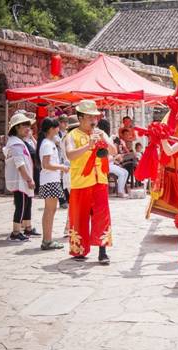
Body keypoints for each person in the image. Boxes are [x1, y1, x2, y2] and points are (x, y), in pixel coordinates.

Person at [65, 100, 118, 264]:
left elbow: (114, 152)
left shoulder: (100, 132)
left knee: (102, 215)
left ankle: (102, 251)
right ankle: (79, 250)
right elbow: (70, 155)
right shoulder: (71, 136)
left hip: (99, 180)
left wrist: (104, 140)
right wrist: (88, 145)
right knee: (80, 216)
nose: (93, 120)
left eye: (94, 117)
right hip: (81, 181)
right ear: (80, 118)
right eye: (89, 117)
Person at [3, 112, 37, 242]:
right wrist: (29, 179)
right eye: (25, 125)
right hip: (20, 179)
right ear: (17, 127)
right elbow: (20, 164)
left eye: (29, 125)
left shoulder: (19, 142)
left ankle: (27, 227)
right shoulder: (16, 144)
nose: (28, 128)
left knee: (26, 203)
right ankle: (16, 231)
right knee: (21, 205)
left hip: (22, 179)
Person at [37, 117, 67, 250]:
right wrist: (62, 167)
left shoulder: (48, 143)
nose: (58, 129)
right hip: (50, 181)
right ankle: (47, 240)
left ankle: (47, 239)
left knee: (51, 210)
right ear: (51, 129)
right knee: (50, 210)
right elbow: (46, 164)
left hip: (51, 180)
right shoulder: (47, 144)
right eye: (56, 127)